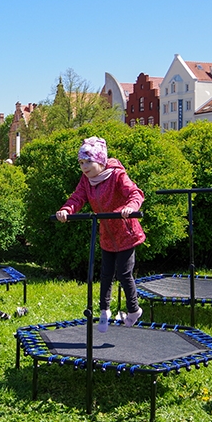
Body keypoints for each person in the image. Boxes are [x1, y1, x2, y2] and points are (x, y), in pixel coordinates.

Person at [55, 136, 146, 333]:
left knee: (123, 273)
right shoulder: (86, 181)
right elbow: (77, 198)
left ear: (100, 160)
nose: (84, 167)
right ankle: (104, 311)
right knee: (105, 274)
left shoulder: (116, 175)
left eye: (88, 162)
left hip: (125, 232)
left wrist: (130, 207)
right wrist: (66, 210)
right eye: (81, 163)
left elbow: (135, 193)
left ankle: (134, 310)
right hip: (106, 235)